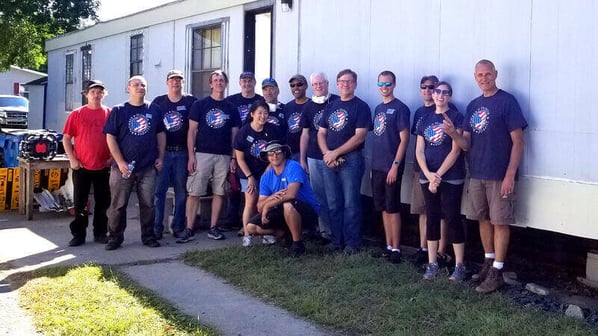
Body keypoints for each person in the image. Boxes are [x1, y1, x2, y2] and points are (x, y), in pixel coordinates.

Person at [447, 59, 528, 293]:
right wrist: (453, 133)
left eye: (488, 74)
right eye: (480, 75)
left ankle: (498, 271)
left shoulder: (507, 102)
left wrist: (510, 174)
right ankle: (488, 262)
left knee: (500, 221)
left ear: (495, 74)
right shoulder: (473, 106)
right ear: (475, 77)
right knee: (482, 218)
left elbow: (518, 141)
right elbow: (466, 144)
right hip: (477, 174)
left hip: (499, 175)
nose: (484, 78)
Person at [176, 70, 241, 243]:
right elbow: (191, 131)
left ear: (225, 84)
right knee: (194, 192)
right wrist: (191, 156)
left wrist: (234, 158)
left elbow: (235, 136)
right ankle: (189, 228)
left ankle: (214, 227)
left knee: (220, 192)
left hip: (224, 156)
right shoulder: (200, 105)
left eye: (222, 80)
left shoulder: (231, 108)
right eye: (216, 80)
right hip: (202, 154)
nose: (219, 82)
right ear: (210, 84)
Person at [103, 75, 166, 250]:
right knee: (118, 205)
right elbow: (110, 137)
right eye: (136, 85)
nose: (140, 87)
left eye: (143, 85)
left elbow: (160, 135)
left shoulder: (154, 109)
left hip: (148, 167)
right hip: (122, 168)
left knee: (148, 204)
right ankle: (114, 238)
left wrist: (160, 157)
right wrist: (120, 161)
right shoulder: (119, 110)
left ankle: (148, 236)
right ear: (128, 88)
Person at [415, 81, 467, 281]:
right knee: (432, 217)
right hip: (427, 177)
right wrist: (428, 174)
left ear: (450, 97)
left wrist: (438, 175)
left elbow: (456, 150)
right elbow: (419, 150)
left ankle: (459, 265)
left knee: (452, 217)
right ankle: (432, 263)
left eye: (445, 93)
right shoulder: (424, 119)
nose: (439, 95)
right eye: (437, 91)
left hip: (451, 177)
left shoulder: (456, 117)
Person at [317, 69, 372, 254]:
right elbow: (321, 132)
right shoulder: (331, 106)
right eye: (341, 81)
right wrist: (327, 154)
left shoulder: (361, 107)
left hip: (352, 159)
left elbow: (360, 137)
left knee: (351, 203)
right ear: (337, 84)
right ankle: (336, 241)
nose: (345, 85)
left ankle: (352, 243)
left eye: (349, 82)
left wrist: (336, 153)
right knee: (333, 202)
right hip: (329, 159)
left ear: (355, 84)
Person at [246, 141, 319, 256]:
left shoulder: (293, 166)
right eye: (270, 153)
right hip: (281, 211)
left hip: (305, 209)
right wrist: (269, 199)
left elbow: (291, 194)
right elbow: (259, 206)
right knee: (251, 227)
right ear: (267, 157)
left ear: (284, 153)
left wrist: (268, 205)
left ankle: (297, 244)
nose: (274, 155)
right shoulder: (266, 177)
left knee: (288, 204)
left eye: (278, 152)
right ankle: (285, 234)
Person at [410, 75, 453, 267]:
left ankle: (441, 252)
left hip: (444, 173)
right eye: (425, 87)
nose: (429, 91)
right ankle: (424, 249)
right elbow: (418, 146)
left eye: (432, 88)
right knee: (423, 210)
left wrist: (437, 175)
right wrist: (421, 170)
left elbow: (455, 146)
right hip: (422, 170)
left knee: (441, 213)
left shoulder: (450, 113)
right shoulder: (420, 113)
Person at [62, 79, 112, 246]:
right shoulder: (76, 114)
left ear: (104, 94)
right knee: (80, 203)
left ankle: (100, 233)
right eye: (93, 92)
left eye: (99, 92)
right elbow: (66, 139)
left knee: (103, 203)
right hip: (82, 166)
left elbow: (116, 139)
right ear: (86, 95)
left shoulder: (109, 114)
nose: (96, 95)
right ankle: (78, 235)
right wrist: (72, 159)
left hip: (103, 166)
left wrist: (112, 159)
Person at [370, 71, 410, 263]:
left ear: (394, 85)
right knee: (383, 208)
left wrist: (395, 165)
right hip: (377, 166)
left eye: (388, 84)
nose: (384, 87)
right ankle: (388, 245)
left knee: (393, 208)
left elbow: (404, 139)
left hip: (391, 167)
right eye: (381, 84)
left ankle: (396, 248)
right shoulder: (378, 108)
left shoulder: (400, 108)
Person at [152, 69, 197, 240]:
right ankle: (157, 227)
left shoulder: (191, 101)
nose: (175, 83)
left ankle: (178, 226)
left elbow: (195, 128)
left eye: (179, 80)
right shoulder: (158, 102)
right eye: (172, 80)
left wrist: (193, 153)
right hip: (163, 153)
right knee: (159, 191)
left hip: (182, 153)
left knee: (181, 191)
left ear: (183, 82)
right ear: (167, 82)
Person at [233, 100, 284, 246]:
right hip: (247, 171)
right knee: (251, 201)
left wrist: (267, 173)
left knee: (267, 201)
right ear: (252, 114)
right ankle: (247, 234)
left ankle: (264, 232)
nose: (263, 116)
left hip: (268, 170)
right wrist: (250, 177)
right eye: (259, 113)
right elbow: (240, 158)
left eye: (266, 113)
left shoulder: (273, 129)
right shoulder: (244, 132)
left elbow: (277, 152)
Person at [299, 72, 338, 241]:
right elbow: (305, 134)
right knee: (319, 197)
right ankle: (325, 232)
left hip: (332, 156)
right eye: (315, 84)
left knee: (333, 196)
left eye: (321, 83)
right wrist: (302, 158)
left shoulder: (337, 102)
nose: (318, 86)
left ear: (327, 83)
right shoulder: (308, 106)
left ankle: (338, 232)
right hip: (313, 157)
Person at [225, 72, 265, 232]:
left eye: (250, 81)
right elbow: (230, 128)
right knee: (235, 189)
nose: (247, 83)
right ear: (239, 83)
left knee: (254, 195)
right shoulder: (232, 100)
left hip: (256, 153)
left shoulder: (260, 101)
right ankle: (232, 220)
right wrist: (232, 157)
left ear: (254, 82)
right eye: (244, 81)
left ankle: (251, 226)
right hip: (238, 150)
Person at [284, 74, 310, 160]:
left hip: (307, 153)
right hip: (290, 153)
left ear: (306, 86)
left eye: (299, 84)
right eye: (292, 85)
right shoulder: (287, 106)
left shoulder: (312, 104)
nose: (296, 88)